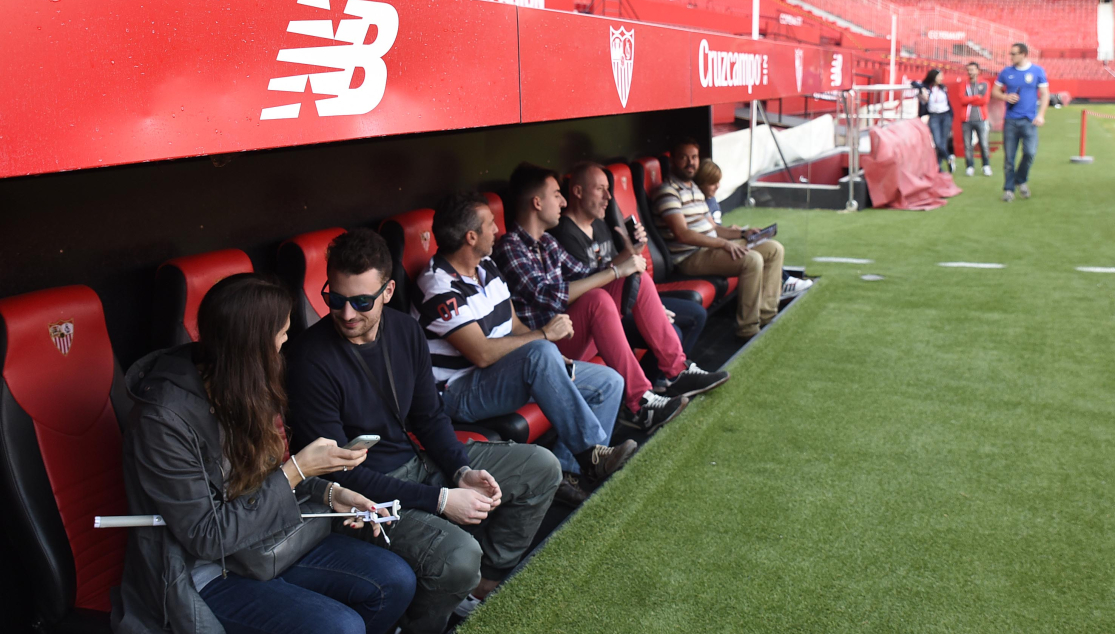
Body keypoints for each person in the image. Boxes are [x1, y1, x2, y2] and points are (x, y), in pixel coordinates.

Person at [283, 229, 562, 634]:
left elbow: (430, 417)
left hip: (417, 462)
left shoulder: (404, 330)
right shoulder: (310, 359)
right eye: (335, 299)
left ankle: (483, 584)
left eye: (361, 302)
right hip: (360, 497)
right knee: (458, 558)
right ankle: (416, 623)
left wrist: (461, 471)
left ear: (388, 290)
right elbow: (340, 475)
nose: (346, 314)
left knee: (541, 467)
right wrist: (441, 499)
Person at [114, 273, 416, 634]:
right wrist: (297, 470)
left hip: (267, 542)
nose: (286, 342)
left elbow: (265, 478)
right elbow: (207, 537)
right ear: (252, 345)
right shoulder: (162, 420)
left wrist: (333, 494)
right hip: (205, 571)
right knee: (340, 627)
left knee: (396, 580)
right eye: (282, 333)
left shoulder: (246, 381)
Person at [414, 193, 636, 506]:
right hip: (458, 391)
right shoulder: (438, 286)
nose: (497, 231)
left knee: (609, 382)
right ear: (471, 236)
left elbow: (515, 326)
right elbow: (482, 354)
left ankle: (566, 475)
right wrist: (545, 337)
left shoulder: (485, 266)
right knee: (541, 351)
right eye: (491, 225)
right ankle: (590, 455)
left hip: (502, 373)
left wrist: (551, 358)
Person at [494, 161, 727, 435]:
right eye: (556, 194)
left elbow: (592, 273)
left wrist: (629, 255)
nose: (562, 200)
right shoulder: (510, 247)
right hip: (546, 348)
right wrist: (617, 269)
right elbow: (550, 296)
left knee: (634, 278)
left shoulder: (547, 243)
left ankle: (677, 369)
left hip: (572, 335)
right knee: (597, 299)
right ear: (536, 202)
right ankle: (640, 402)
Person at [652, 138, 785, 341]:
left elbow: (713, 228)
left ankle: (766, 315)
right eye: (684, 157)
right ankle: (748, 329)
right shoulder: (667, 192)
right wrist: (724, 243)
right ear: (673, 161)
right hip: (690, 257)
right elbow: (682, 234)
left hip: (711, 249)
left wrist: (742, 234)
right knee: (752, 260)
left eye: (694, 157)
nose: (690, 162)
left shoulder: (694, 189)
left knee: (774, 249)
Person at [694, 158, 812, 301]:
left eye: (718, 181)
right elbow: (701, 235)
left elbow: (714, 228)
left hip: (720, 243)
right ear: (701, 183)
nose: (717, 186)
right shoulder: (698, 202)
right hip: (711, 249)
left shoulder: (709, 199)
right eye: (712, 183)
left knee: (770, 246)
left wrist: (740, 232)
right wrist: (729, 238)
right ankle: (783, 284)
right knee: (753, 257)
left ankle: (780, 285)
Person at [992, 42, 1049, 202]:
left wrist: (1041, 114)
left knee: (1030, 153)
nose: (1011, 56)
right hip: (1010, 121)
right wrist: (1005, 97)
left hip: (1029, 121)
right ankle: (1009, 189)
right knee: (1009, 158)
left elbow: (1045, 94)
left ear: (1023, 54)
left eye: (1014, 53)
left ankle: (1020, 179)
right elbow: (994, 91)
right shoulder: (1006, 72)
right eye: (1010, 53)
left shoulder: (1037, 71)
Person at [958, 62, 993, 177]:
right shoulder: (964, 84)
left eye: (972, 69)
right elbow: (962, 100)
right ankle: (969, 166)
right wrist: (976, 97)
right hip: (966, 119)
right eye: (969, 70)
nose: (970, 72)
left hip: (981, 118)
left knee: (983, 143)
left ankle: (986, 166)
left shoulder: (985, 84)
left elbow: (984, 100)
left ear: (978, 70)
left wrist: (970, 99)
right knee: (968, 145)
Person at [917, 69, 955, 173]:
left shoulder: (942, 88)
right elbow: (916, 85)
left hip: (945, 115)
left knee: (943, 142)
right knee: (937, 142)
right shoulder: (926, 87)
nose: (941, 78)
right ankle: (949, 158)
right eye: (940, 76)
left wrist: (951, 115)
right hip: (934, 116)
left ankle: (938, 166)